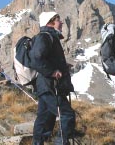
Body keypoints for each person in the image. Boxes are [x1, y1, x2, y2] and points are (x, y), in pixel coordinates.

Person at [30, 11, 75, 145]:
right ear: (50, 21)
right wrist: (52, 71)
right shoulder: (45, 36)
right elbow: (36, 58)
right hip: (50, 86)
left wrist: (62, 66)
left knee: (45, 119)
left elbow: (44, 58)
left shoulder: (50, 37)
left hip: (46, 86)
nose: (61, 22)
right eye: (58, 20)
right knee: (67, 114)